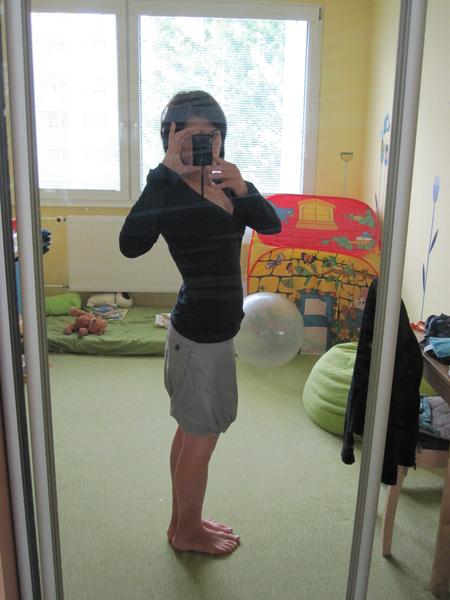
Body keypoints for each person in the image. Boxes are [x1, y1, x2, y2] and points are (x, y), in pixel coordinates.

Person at [119, 90, 281, 555]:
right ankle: (187, 532)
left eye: (211, 134)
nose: (203, 142)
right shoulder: (167, 190)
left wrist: (243, 187)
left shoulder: (226, 184)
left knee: (193, 433)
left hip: (214, 333)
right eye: (190, 134)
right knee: (201, 439)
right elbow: (130, 244)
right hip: (197, 336)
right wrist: (165, 171)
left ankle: (181, 522)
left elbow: (271, 226)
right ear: (170, 137)